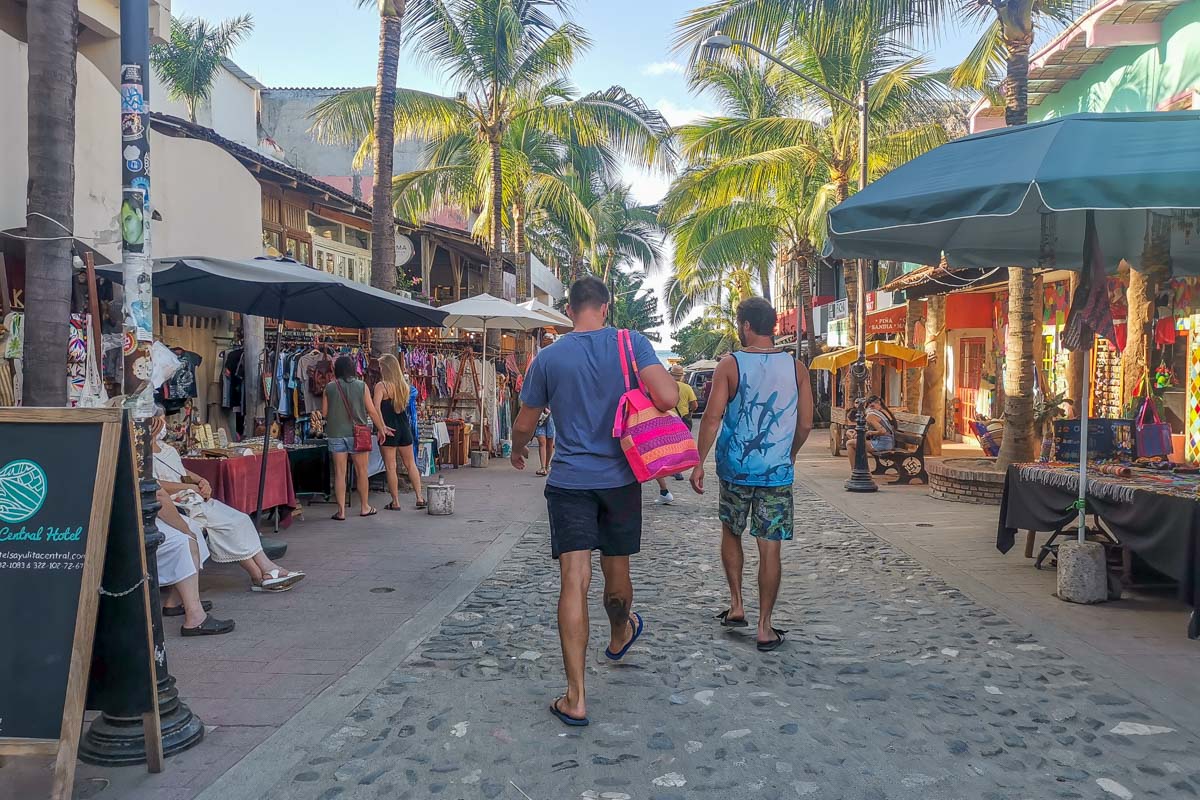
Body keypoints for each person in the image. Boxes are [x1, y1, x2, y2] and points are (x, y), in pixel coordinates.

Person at [510, 276, 678, 726]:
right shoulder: (632, 342)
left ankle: (576, 697)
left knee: (573, 580)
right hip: (621, 478)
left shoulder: (547, 358)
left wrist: (516, 448)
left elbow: (526, 422)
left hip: (569, 481)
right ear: (605, 307)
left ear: (569, 310)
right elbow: (668, 396)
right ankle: (620, 631)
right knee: (617, 573)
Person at [691, 297, 813, 652]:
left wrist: (699, 460)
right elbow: (805, 423)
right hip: (776, 472)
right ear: (773, 326)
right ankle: (764, 626)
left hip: (735, 468)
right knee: (769, 547)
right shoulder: (796, 368)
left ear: (745, 325)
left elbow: (712, 418)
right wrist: (789, 454)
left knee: (731, 532)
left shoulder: (730, 364)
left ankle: (737, 604)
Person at [150, 411, 306, 593]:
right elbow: (155, 485)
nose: (161, 423)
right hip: (180, 505)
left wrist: (201, 480)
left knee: (238, 521)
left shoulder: (168, 450)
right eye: (157, 419)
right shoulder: (143, 456)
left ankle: (263, 573)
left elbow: (182, 472)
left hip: (193, 498)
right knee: (230, 526)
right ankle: (265, 571)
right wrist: (189, 488)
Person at [322, 355, 392, 520]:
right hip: (358, 434)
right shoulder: (362, 386)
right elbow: (372, 411)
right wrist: (381, 429)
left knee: (340, 473)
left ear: (336, 370)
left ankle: (341, 511)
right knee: (362, 472)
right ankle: (364, 507)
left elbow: (324, 413)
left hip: (336, 434)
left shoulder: (329, 387)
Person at [374, 353, 426, 510]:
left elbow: (375, 408)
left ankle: (395, 501)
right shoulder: (404, 386)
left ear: (385, 368)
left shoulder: (381, 386)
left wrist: (381, 427)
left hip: (389, 427)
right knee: (411, 464)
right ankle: (420, 497)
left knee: (391, 466)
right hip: (404, 426)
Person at [669, 364, 698, 483]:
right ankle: (678, 469)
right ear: (681, 376)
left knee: (670, 445)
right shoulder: (687, 388)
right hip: (683, 419)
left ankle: (671, 468)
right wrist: (690, 412)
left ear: (671, 375)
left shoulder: (666, 386)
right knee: (681, 445)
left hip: (668, 419)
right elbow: (695, 405)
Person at [533, 334, 557, 477]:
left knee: (549, 441)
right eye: (545, 342)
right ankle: (543, 466)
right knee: (542, 440)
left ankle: (547, 465)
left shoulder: (555, 364)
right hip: (541, 412)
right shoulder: (539, 363)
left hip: (552, 413)